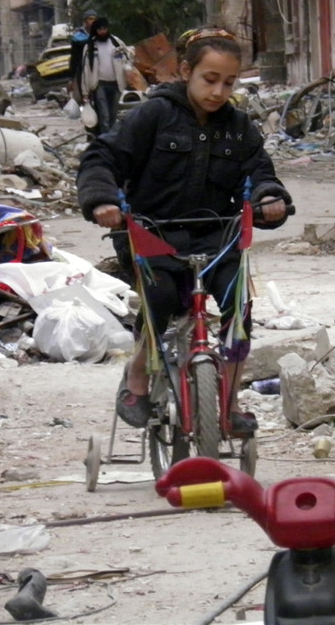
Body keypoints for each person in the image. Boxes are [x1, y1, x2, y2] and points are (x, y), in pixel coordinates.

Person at [77, 28, 292, 434]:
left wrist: (269, 197)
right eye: (210, 79)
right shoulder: (153, 115)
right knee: (158, 300)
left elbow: (261, 172)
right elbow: (102, 157)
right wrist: (102, 199)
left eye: (228, 82)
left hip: (218, 237)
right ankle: (137, 375)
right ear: (185, 71)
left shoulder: (238, 127)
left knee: (239, 306)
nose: (218, 92)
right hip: (153, 235)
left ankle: (230, 401)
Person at [79, 17, 132, 139]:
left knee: (113, 115)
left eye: (105, 28)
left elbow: (128, 58)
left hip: (116, 84)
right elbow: (86, 70)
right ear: (95, 30)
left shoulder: (116, 43)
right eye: (100, 29)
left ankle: (112, 140)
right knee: (104, 116)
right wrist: (85, 92)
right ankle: (105, 141)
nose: (103, 32)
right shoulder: (90, 46)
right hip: (99, 85)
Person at [69, 9, 98, 98]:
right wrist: (71, 78)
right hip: (82, 71)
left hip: (97, 70)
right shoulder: (78, 37)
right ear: (85, 21)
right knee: (85, 96)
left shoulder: (100, 35)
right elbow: (74, 58)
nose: (92, 21)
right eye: (90, 19)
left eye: (94, 19)